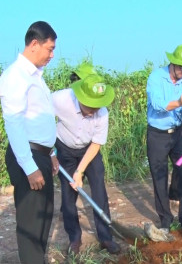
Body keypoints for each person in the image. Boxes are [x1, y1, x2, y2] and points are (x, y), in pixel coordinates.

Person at [0, 21, 58, 263]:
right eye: (50, 49)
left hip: (41, 155)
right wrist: (30, 167)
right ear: (34, 44)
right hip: (28, 158)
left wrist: (52, 152)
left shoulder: (36, 77)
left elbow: (40, 121)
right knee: (31, 226)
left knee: (43, 219)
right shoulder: (15, 76)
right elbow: (14, 124)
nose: (52, 55)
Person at [52, 74, 121, 254]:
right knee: (68, 195)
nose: (93, 110)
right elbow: (40, 118)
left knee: (99, 189)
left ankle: (106, 237)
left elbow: (97, 143)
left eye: (96, 106)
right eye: (89, 105)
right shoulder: (60, 100)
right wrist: (50, 151)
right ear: (80, 96)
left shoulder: (102, 113)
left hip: (89, 149)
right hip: (64, 148)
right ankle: (74, 238)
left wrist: (80, 171)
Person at [146, 44, 182, 237]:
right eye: (181, 67)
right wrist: (178, 103)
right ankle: (165, 220)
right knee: (159, 177)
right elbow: (157, 105)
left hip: (179, 133)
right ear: (173, 63)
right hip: (158, 135)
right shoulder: (156, 78)